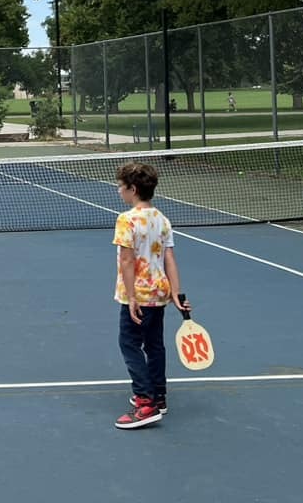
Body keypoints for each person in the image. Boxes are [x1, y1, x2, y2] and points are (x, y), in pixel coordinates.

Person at [112, 162, 190, 430]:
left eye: (121, 187)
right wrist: (177, 293)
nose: (119, 191)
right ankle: (159, 395)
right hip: (159, 292)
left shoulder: (127, 219)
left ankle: (146, 403)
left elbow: (126, 260)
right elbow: (169, 257)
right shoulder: (162, 219)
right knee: (154, 345)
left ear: (132, 189)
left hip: (138, 294)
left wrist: (132, 297)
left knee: (129, 344)